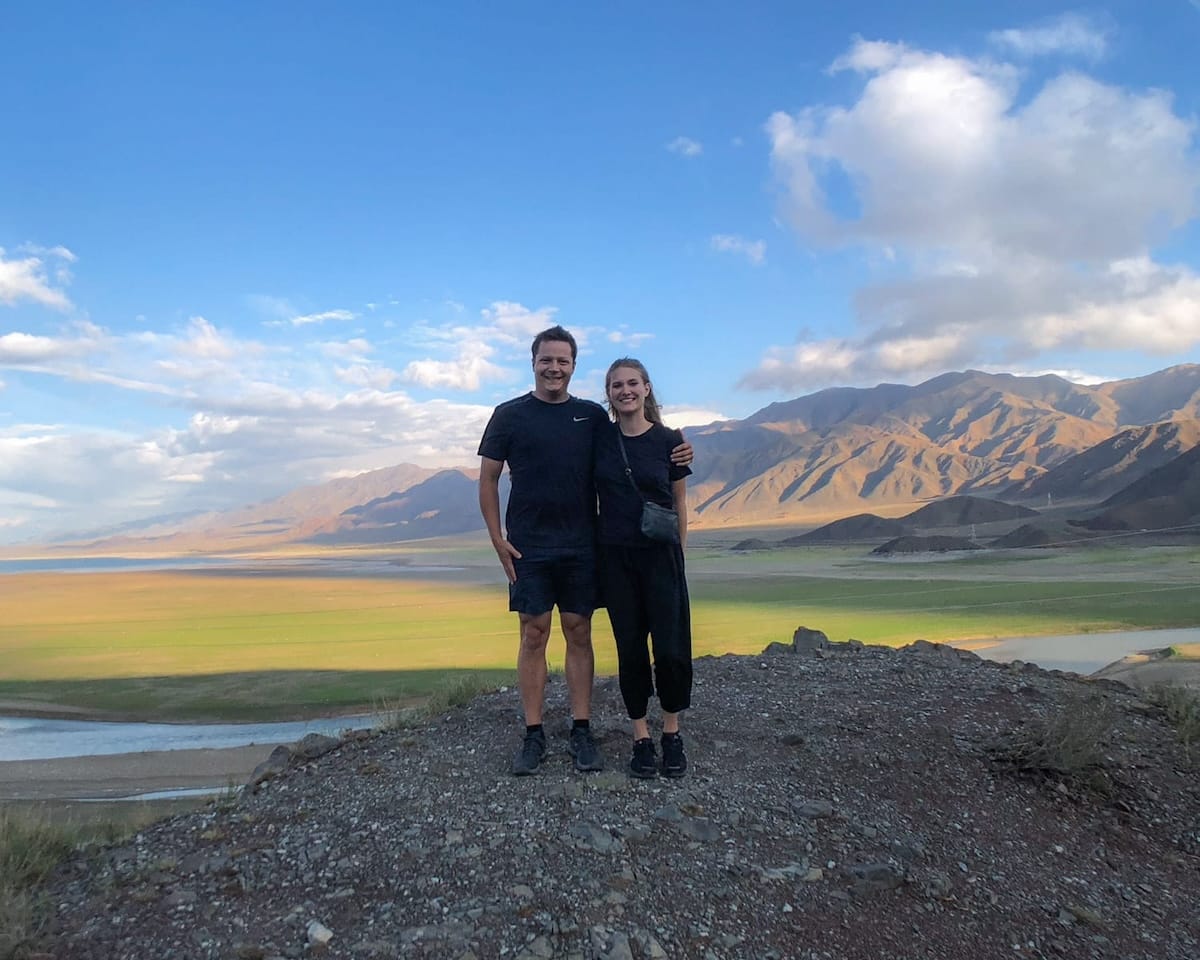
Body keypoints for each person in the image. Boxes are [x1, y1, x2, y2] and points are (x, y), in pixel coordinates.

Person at [478, 327, 691, 776]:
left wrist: (678, 446)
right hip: (529, 545)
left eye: (563, 361)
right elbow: (488, 478)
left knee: (578, 630)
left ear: (574, 366)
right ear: (533, 362)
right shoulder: (508, 415)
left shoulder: (592, 417)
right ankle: (533, 733)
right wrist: (497, 537)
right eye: (546, 360)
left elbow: (637, 439)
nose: (554, 368)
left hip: (583, 543)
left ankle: (581, 728)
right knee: (533, 633)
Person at [594, 357, 693, 779]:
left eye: (632, 383)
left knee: (670, 651)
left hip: (661, 558)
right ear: (609, 394)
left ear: (647, 388)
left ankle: (671, 732)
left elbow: (679, 502)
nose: (625, 390)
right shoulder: (600, 441)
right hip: (616, 560)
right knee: (630, 650)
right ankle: (640, 737)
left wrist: (679, 556)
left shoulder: (671, 440)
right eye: (616, 385)